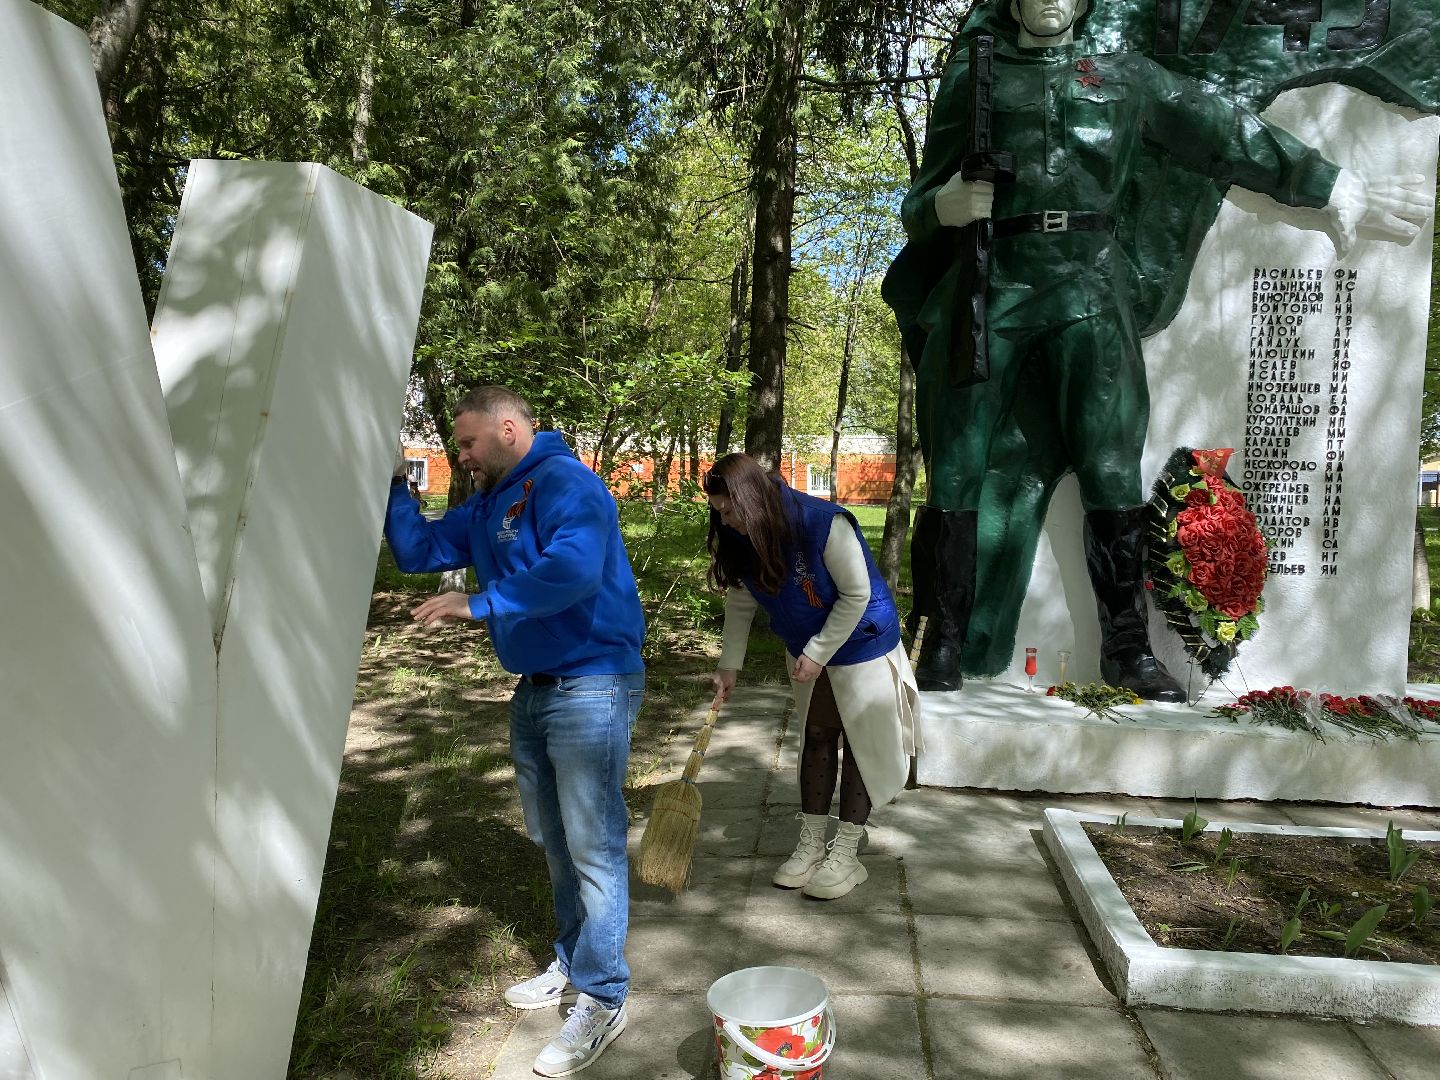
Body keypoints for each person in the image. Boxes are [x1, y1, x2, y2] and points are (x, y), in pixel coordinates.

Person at [884, 0, 1430, 698]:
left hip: (1089, 284)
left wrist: (1335, 188)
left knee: (1111, 463)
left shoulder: (1128, 78)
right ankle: (941, 641)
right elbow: (922, 199)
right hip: (994, 283)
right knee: (957, 465)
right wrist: (943, 206)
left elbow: (1225, 132)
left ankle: (1126, 647)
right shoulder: (976, 78)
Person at [384, 385, 644, 1077]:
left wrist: (482, 601)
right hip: (535, 689)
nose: (460, 455)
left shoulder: (567, 484)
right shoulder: (489, 501)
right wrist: (388, 484)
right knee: (552, 837)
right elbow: (418, 551)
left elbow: (574, 569)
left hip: (594, 683)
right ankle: (571, 959)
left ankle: (604, 995)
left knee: (593, 845)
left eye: (467, 443)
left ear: (507, 429)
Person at [704, 453, 921, 899]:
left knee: (861, 742)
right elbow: (743, 601)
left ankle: (846, 855)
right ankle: (810, 846)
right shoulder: (744, 534)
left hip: (861, 643)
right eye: (718, 512)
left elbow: (856, 593)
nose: (724, 521)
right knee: (818, 735)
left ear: (751, 498)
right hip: (809, 649)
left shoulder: (822, 522)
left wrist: (819, 653)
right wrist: (730, 663)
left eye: (729, 509)